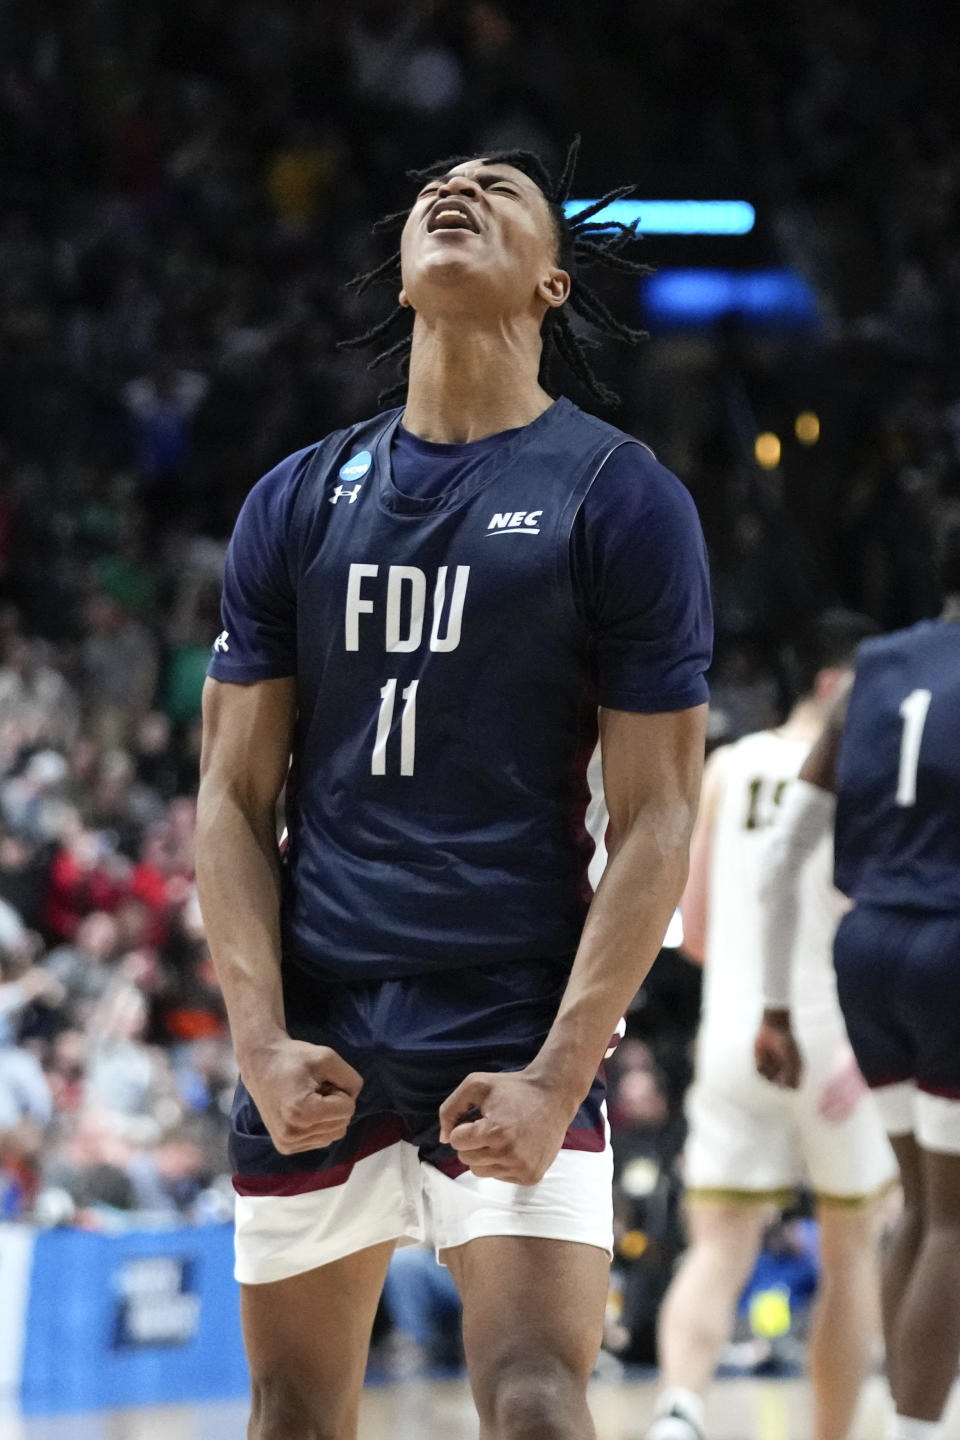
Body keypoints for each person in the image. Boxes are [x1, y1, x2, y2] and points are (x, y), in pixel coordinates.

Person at [196, 138, 712, 1440]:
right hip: (319, 1026)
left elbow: (658, 818)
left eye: (503, 191)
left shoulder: (621, 497)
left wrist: (558, 1072)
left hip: (514, 1023)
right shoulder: (299, 498)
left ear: (549, 283)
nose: (458, 192)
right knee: (293, 1416)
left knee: (537, 1399)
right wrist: (256, 1037)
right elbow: (228, 799)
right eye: (441, 184)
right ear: (406, 271)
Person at [647, 612, 895, 1440]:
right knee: (851, 1252)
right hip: (835, 1039)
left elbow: (695, 930)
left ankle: (679, 1413)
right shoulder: (864, 768)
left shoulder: (728, 765)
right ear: (836, 684)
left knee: (716, 1249)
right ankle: (831, 1433)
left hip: (734, 1031)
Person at [755, 512, 960, 1440]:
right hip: (949, 941)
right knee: (954, 1222)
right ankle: (914, 1430)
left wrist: (773, 1005)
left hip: (866, 946)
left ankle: (903, 1418)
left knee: (920, 1207)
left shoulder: (873, 668)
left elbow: (786, 852)